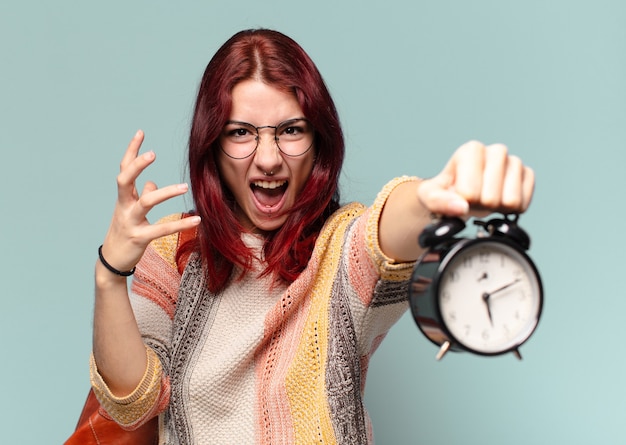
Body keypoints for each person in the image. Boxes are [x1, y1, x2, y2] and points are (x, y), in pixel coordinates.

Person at [90, 28, 534, 444]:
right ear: (212, 146)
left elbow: (382, 234)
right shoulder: (174, 253)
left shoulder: (338, 248)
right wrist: (110, 273)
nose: (268, 159)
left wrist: (438, 197)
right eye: (241, 132)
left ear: (319, 140)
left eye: (290, 131)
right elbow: (134, 405)